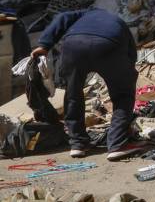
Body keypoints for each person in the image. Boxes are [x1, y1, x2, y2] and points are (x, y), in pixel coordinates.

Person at [31, 8, 141, 161]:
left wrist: (44, 45)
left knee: (72, 94)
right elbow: (131, 53)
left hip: (73, 47)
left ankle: (78, 144)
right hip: (108, 45)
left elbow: (61, 16)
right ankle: (117, 144)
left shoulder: (80, 15)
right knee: (123, 95)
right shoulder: (118, 22)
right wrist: (127, 74)